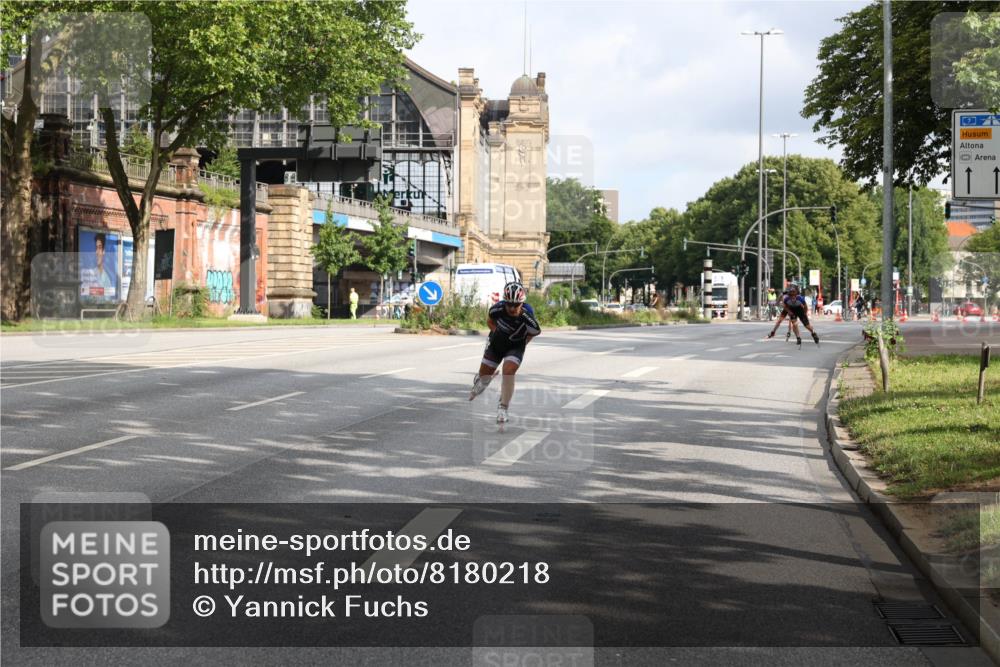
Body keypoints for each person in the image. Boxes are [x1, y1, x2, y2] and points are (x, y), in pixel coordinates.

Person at [468, 281, 541, 424]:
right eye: (509, 304)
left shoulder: (528, 315)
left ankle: (503, 408)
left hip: (515, 346)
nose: (512, 308)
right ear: (504, 301)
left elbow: (534, 332)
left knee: (508, 371)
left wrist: (522, 343)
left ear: (522, 303)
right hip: (496, 344)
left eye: (516, 305)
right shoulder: (497, 309)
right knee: (483, 379)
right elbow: (490, 321)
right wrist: (497, 333)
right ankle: (482, 380)